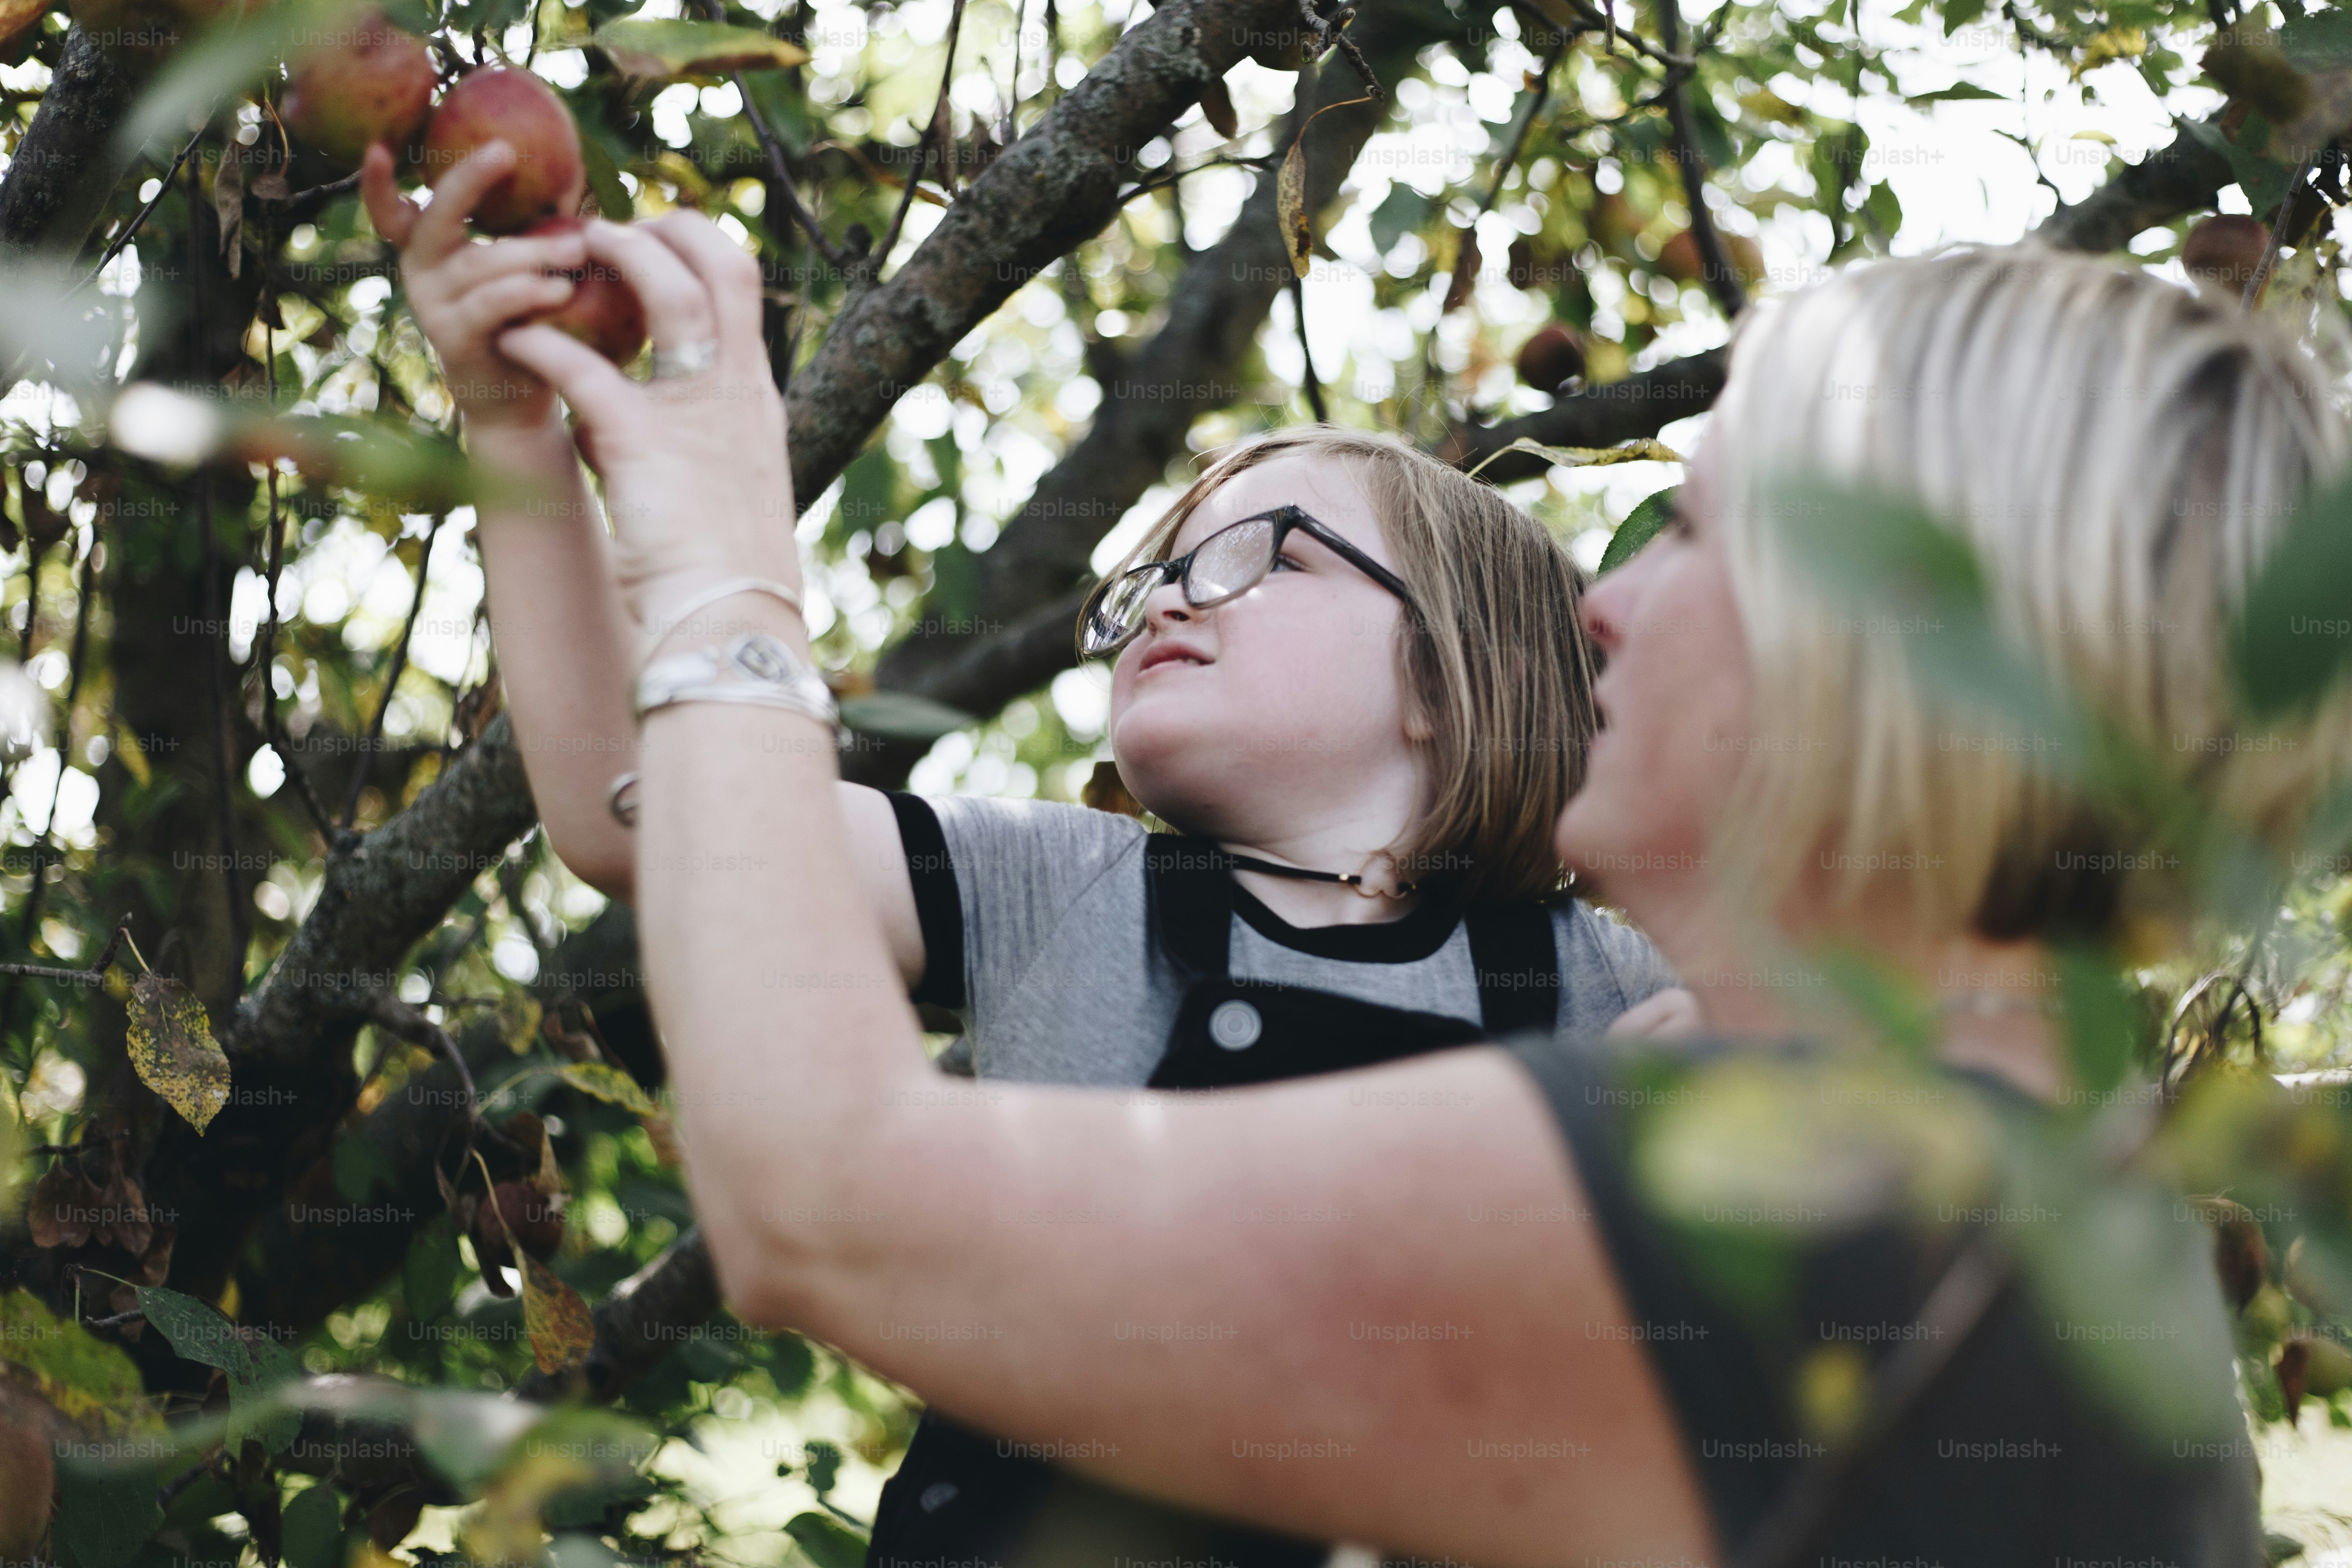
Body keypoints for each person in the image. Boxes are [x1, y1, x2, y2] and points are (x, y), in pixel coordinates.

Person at [470, 218, 2341, 1564]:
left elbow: (830, 1206)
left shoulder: (1804, 1202)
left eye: (1698, 524)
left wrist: (727, 573)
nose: (1595, 597)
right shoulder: (1996, 1219)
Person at [358, 143, 1692, 1568]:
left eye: (1271, 554)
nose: (1181, 589)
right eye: (1165, 567)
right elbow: (637, 803)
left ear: (1452, 680)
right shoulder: (1061, 883)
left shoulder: (1604, 983)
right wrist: (510, 425)